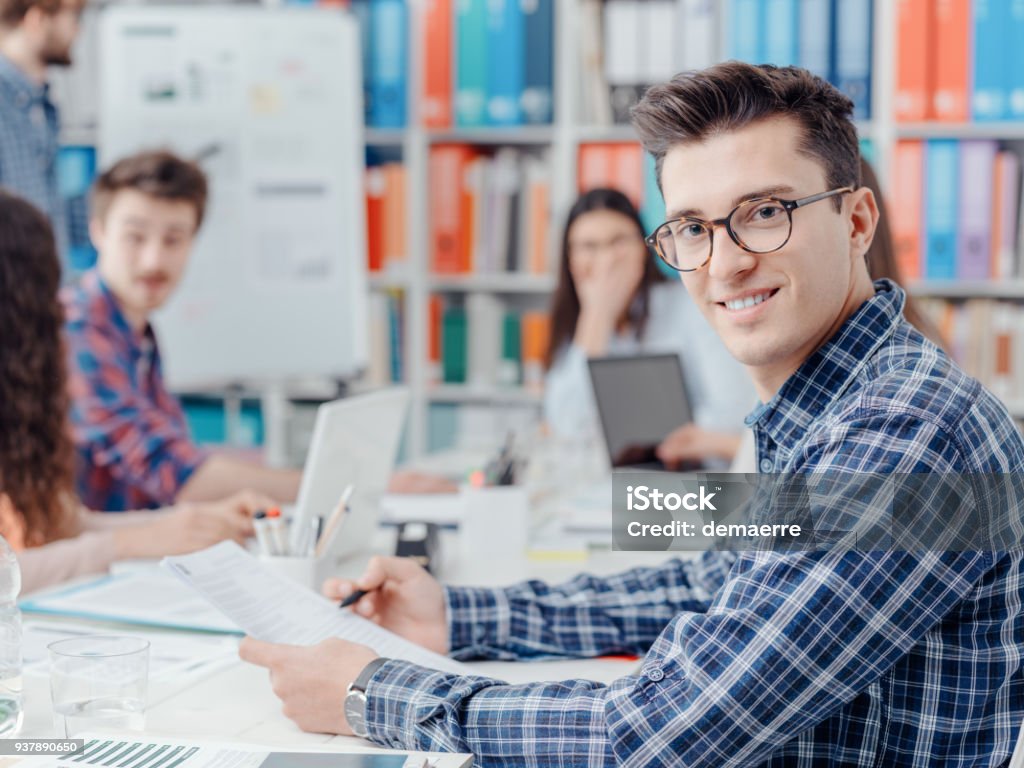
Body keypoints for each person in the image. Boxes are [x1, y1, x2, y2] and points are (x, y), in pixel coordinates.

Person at [240, 63, 1024, 766]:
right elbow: (711, 579)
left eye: (765, 212)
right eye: (691, 228)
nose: (724, 262)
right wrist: (459, 614)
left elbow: (663, 731)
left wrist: (371, 694)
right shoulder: (829, 407)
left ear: (856, 222)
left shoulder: (910, 431)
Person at [0, 188, 269, 594]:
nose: (60, 314)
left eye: (174, 239)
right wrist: (125, 543)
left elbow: (58, 518)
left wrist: (191, 523)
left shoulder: (132, 340)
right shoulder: (85, 333)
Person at [62, 150, 306, 511]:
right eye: (135, 237)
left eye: (173, 239)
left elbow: (177, 451)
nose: (154, 260)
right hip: (87, 557)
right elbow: (173, 473)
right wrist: (325, 487)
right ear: (98, 232)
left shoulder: (137, 332)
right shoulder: (77, 328)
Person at [544, 187, 752, 465]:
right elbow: (566, 426)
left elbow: (732, 417)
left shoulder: (689, 306)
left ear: (643, 248)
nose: (606, 260)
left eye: (618, 241)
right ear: (570, 260)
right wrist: (597, 316)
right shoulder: (578, 323)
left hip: (699, 477)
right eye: (588, 247)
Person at [0, 0, 85, 269]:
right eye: (73, 18)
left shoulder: (42, 107)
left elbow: (48, 209)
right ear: (37, 20)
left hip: (40, 291)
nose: (78, 31)